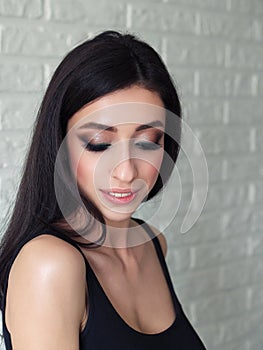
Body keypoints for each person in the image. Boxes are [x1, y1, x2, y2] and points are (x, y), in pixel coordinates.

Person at [0, 30, 206, 349]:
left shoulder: (153, 244)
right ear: (59, 144)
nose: (126, 171)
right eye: (99, 144)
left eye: (147, 142)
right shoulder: (50, 264)